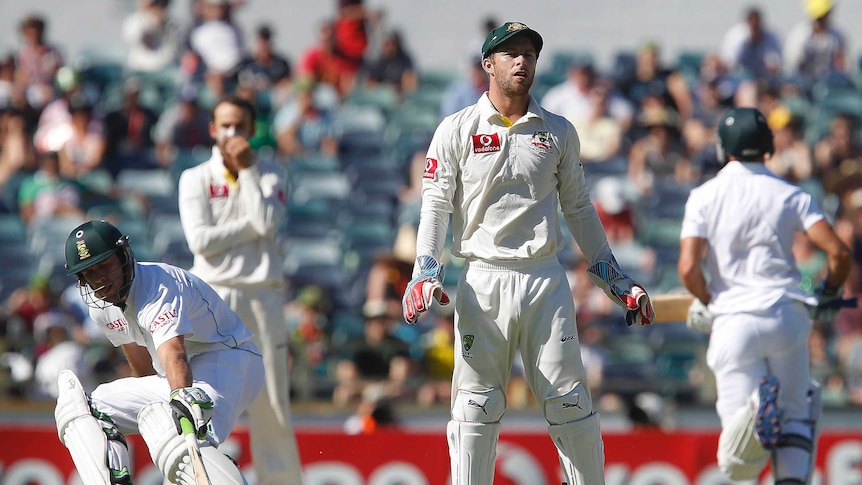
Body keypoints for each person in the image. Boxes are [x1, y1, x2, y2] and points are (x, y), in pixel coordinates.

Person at [401, 21, 654, 485]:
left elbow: (578, 208)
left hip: (544, 280)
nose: (521, 61)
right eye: (511, 53)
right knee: (476, 409)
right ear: (488, 64)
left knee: (570, 404)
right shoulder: (455, 129)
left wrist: (614, 278)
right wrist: (425, 272)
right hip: (483, 279)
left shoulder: (557, 131)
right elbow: (435, 204)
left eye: (530, 54)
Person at [678, 107, 851, 484]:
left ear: (724, 148)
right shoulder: (791, 194)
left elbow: (689, 269)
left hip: (734, 323)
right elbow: (839, 253)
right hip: (786, 317)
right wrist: (828, 293)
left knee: (738, 465)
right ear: (769, 148)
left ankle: (758, 408)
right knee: (796, 417)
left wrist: (708, 300)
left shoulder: (704, 196)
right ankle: (776, 420)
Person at [57, 219, 261, 484]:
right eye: (90, 273)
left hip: (229, 360)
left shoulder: (159, 286)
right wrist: (151, 400)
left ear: (123, 256)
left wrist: (180, 396)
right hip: (177, 374)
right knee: (84, 407)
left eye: (105, 266)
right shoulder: (100, 306)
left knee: (183, 440)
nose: (100, 279)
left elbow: (174, 352)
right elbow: (139, 359)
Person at [177, 96, 303, 485]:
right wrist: (249, 226)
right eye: (224, 125)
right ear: (213, 130)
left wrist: (247, 171)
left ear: (250, 131)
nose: (231, 133)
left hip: (262, 296)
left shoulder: (270, 174)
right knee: (204, 400)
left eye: (239, 126)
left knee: (273, 408)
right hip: (211, 296)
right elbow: (200, 241)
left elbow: (266, 223)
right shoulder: (194, 177)